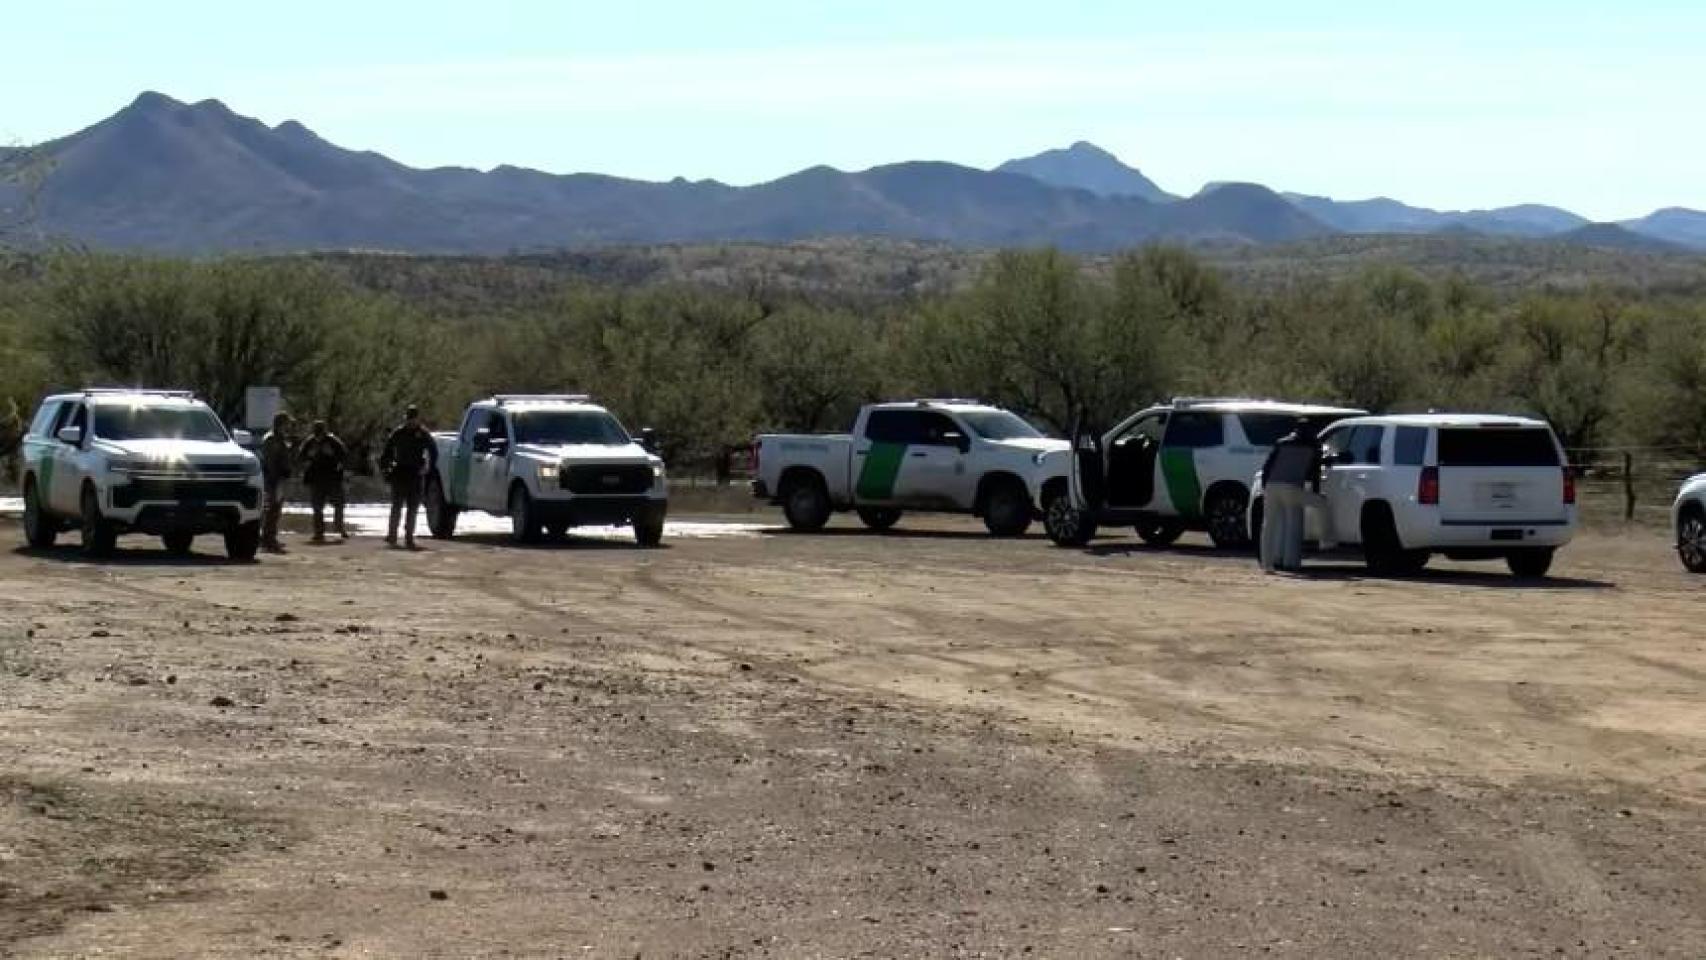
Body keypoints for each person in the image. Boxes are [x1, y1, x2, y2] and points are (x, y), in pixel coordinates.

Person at [1259, 417, 1322, 574]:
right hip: (1293, 486)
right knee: (1294, 524)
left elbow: (1267, 466)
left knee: (1269, 526)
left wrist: (1264, 486)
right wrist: (1316, 492)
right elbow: (1315, 472)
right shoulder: (1313, 445)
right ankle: (1291, 562)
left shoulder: (1281, 442)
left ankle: (1268, 563)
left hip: (1273, 485)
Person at [379, 404, 438, 549]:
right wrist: (386, 470)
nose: (411, 421)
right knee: (396, 506)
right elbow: (386, 453)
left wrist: (428, 468)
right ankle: (392, 535)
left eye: (414, 419)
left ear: (418, 419)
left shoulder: (423, 434)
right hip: (400, 472)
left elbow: (433, 451)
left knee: (413, 508)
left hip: (415, 473)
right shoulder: (398, 433)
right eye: (409, 418)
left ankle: (409, 537)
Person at [296, 420, 349, 542]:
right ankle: (319, 532)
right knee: (317, 507)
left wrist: (332, 455)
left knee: (339, 504)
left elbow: (344, 456)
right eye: (316, 431)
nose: (318, 434)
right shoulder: (309, 442)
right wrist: (310, 456)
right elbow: (300, 457)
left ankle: (339, 527)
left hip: (332, 478)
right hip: (316, 479)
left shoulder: (333, 441)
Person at [258, 411, 295, 553]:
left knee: (276, 509)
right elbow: (271, 461)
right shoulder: (271, 439)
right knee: (271, 510)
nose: (288, 426)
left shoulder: (279, 438)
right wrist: (276, 478)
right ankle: (268, 539)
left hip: (279, 478)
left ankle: (269, 537)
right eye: (286, 423)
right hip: (273, 479)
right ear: (281, 423)